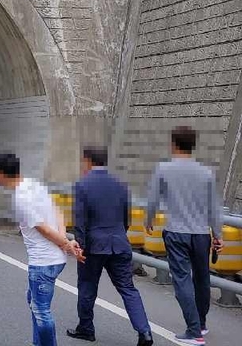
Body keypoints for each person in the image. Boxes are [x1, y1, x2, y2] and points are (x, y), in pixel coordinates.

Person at [66, 146, 153, 346]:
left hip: (94, 245)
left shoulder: (82, 185)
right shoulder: (121, 185)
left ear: (87, 161)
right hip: (120, 243)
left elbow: (80, 221)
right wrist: (119, 235)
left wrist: (79, 246)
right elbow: (126, 218)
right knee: (128, 289)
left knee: (87, 287)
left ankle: (86, 329)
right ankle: (145, 332)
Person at [0, 152, 80, 346]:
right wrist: (64, 240)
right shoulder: (33, 185)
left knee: (41, 311)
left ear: (0, 173)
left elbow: (45, 229)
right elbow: (58, 211)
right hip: (53, 259)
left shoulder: (21, 198)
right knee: (33, 300)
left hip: (43, 262)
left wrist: (65, 244)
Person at [145, 126, 223, 346]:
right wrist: (218, 234)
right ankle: (202, 323)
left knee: (182, 280)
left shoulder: (163, 169)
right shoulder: (206, 172)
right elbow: (214, 208)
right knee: (202, 279)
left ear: (173, 143)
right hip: (201, 234)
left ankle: (193, 331)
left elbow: (152, 199)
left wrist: (148, 219)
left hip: (176, 231)